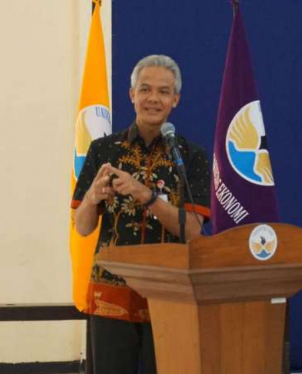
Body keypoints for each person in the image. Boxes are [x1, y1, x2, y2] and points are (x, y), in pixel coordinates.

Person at [72, 54, 211, 374]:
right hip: (112, 291)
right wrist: (93, 197)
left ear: (175, 100)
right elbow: (82, 227)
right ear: (131, 94)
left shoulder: (191, 156)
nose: (153, 98)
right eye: (145, 89)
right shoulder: (103, 150)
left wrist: (145, 194)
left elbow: (192, 231)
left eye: (163, 92)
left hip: (170, 292)